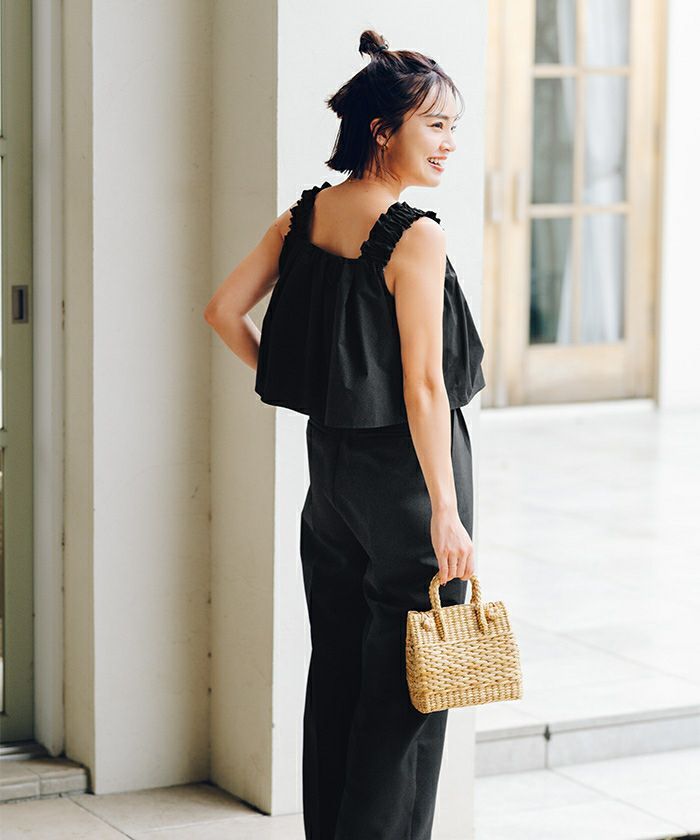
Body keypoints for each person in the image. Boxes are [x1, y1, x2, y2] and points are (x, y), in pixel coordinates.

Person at [204, 28, 486, 840]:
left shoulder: (305, 216)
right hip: (410, 486)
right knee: (409, 696)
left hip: (331, 478)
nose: (449, 143)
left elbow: (223, 312)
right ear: (383, 130)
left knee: (338, 669)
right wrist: (445, 512)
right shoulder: (414, 233)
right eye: (436, 125)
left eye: (453, 126)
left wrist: (314, 387)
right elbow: (425, 387)